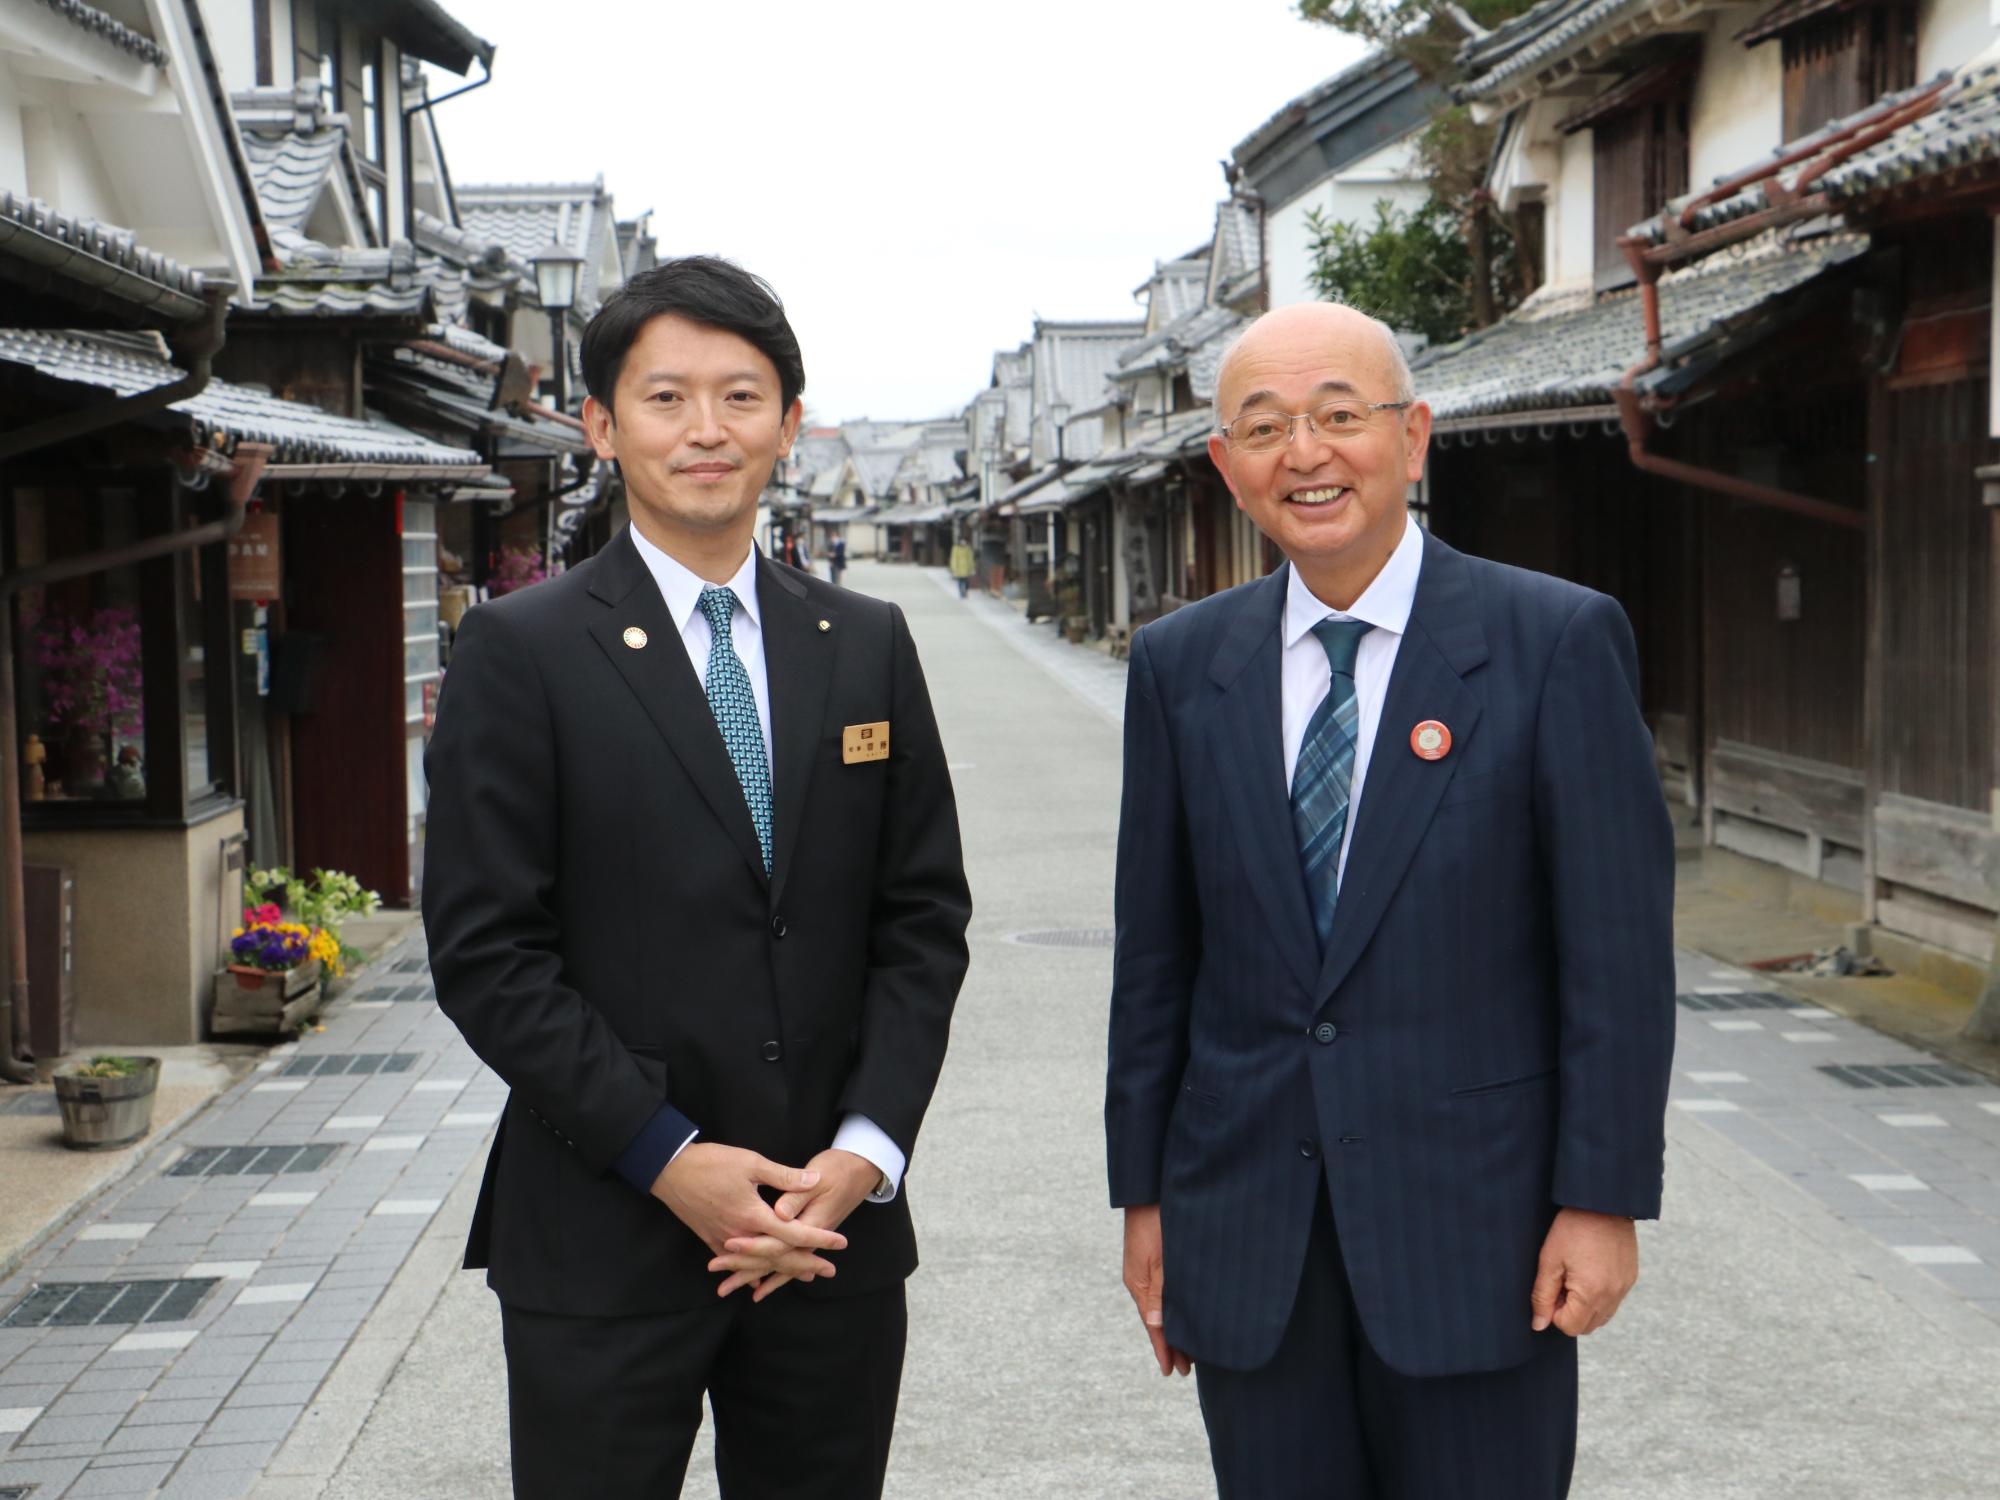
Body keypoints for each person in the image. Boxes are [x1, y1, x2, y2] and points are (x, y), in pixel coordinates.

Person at [423, 256, 972, 1500]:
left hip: (828, 1232)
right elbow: (486, 954)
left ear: (788, 421)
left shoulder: (865, 642)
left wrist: (866, 1150)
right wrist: (668, 1154)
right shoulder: (519, 650)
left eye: (740, 395)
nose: (706, 430)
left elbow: (920, 919)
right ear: (601, 428)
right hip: (605, 1229)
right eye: (666, 398)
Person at [1105, 301, 1674, 1499]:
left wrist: (1602, 1199)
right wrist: (1145, 1199)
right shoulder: (1179, 665)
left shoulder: (1551, 640)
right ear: (1224, 465)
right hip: (1247, 1222)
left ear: (1412, 437)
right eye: (1262, 428)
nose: (1303, 454)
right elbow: (1156, 959)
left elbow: (1614, 956)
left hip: (1480, 1228)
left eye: (1337, 416)